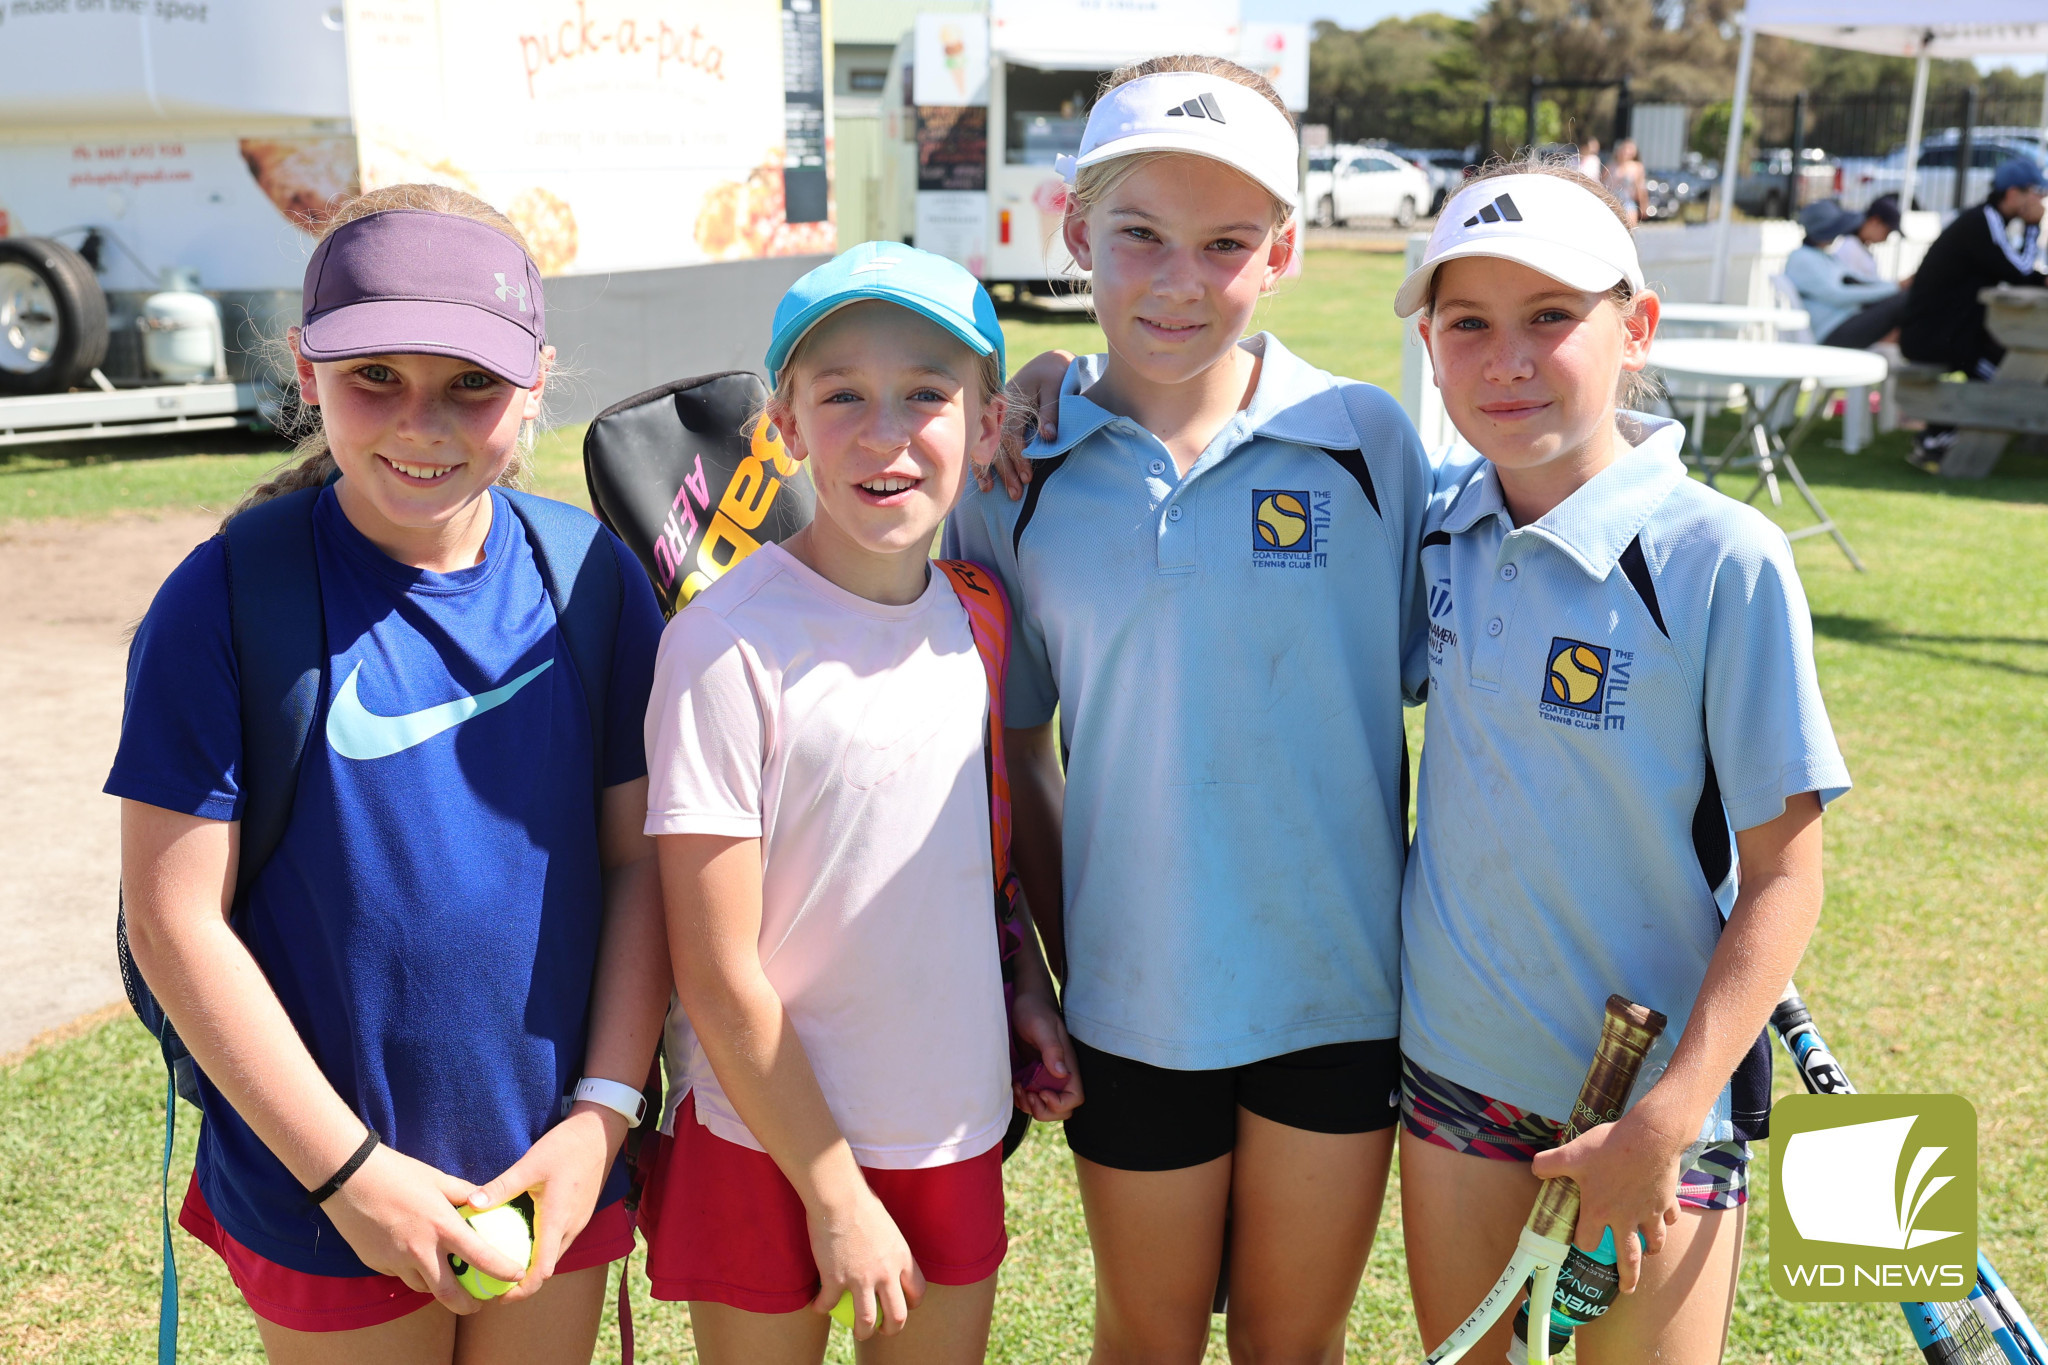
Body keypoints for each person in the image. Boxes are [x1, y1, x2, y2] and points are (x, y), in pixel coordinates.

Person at [109, 184, 671, 1364]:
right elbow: (174, 920)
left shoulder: (591, 581)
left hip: (549, 1171)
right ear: (307, 371)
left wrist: (599, 1120)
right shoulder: (223, 600)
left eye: (471, 382)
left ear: (535, 380)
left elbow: (636, 868)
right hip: (323, 1189)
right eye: (377, 378)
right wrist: (350, 1176)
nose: (423, 423)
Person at [946, 55, 1432, 1364]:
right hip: (1134, 1007)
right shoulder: (1019, 465)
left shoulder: (1366, 439)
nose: (1176, 279)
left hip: (1342, 998)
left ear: (1281, 249)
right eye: (1139, 237)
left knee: (1295, 1341)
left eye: (1223, 244)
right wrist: (1065, 953)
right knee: (1146, 1336)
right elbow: (1016, 745)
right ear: (1073, 231)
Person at [1394, 162, 1850, 1364]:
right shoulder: (1437, 525)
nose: (1507, 361)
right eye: (1467, 325)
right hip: (1453, 1078)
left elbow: (1785, 878)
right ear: (1430, 347)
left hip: (1660, 1114)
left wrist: (1667, 1115)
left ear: (1633, 329)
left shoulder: (1725, 557)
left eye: (1551, 317)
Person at [637, 242, 1081, 1365]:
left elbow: (966, 859)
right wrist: (832, 1194)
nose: (885, 434)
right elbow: (715, 967)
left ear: (986, 427)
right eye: (842, 397)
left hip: (946, 1123)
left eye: (926, 395)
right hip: (765, 1133)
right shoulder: (723, 643)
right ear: (783, 424)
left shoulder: (976, 616)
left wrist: (1021, 980)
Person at [1900, 158, 2048, 470]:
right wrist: (2034, 228)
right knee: (2012, 383)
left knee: (2021, 373)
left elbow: (2007, 268)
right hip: (1940, 337)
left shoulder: (1988, 221)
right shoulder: (1984, 220)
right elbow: (2018, 271)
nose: (2041, 201)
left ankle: (1938, 436)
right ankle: (1935, 440)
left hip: (1957, 333)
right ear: (2013, 193)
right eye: (2037, 193)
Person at [1784, 199, 1908, 349]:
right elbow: (1838, 295)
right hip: (1831, 332)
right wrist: (1895, 288)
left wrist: (1895, 286)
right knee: (1904, 300)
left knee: (1905, 298)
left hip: (1844, 321)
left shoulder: (1820, 255)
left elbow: (1858, 280)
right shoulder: (1802, 258)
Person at [1831, 193, 1901, 282]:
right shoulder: (1850, 247)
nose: (1886, 238)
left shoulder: (1857, 245)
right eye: (1887, 232)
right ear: (1875, 222)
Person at [1604, 138, 1649, 227]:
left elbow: (1640, 188)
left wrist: (1643, 205)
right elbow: (1602, 182)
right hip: (1611, 201)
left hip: (1627, 201)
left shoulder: (1637, 167)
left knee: (1630, 228)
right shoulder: (1611, 165)